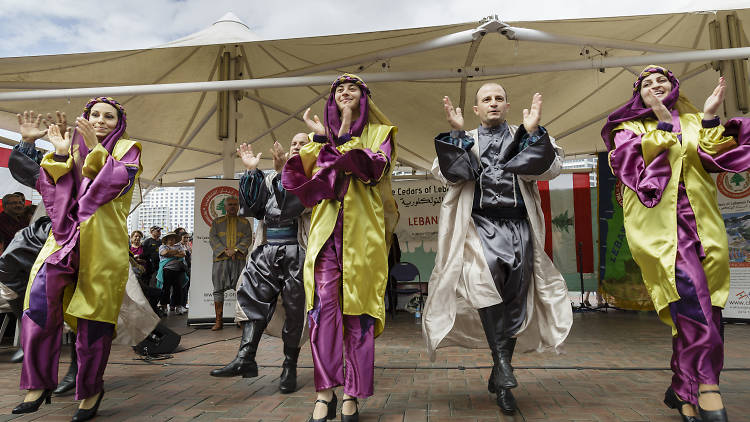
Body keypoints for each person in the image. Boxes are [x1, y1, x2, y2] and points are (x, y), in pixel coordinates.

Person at [602, 65, 746, 422]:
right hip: (664, 232)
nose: (655, 86)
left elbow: (717, 158)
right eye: (647, 83)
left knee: (707, 307)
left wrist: (710, 116)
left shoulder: (695, 120)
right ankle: (708, 385)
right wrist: (664, 125)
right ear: (638, 94)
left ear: (673, 86)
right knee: (695, 302)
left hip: (705, 226)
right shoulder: (629, 128)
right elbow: (629, 162)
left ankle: (684, 389)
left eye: (661, 81)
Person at [423, 83, 572, 415]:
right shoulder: (468, 139)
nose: (493, 103)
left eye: (498, 98)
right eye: (485, 99)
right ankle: (504, 366)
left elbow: (550, 168)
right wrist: (457, 135)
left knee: (514, 299)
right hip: (479, 226)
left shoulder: (523, 134)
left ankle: (499, 366)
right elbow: (445, 174)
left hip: (519, 227)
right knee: (483, 288)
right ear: (476, 109)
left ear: (507, 105)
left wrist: (533, 135)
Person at [12, 97, 141, 421]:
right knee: (38, 305)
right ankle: (37, 384)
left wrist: (94, 149)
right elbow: (49, 188)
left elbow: (113, 184)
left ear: (119, 122)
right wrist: (43, 148)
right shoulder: (69, 147)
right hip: (62, 242)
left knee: (93, 323)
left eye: (108, 116)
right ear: (86, 117)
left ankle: (91, 389)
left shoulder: (128, 148)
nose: (100, 120)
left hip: (102, 248)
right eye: (94, 114)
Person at [282, 74, 398, 422]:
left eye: (353, 89)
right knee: (322, 313)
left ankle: (352, 392)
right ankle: (324, 392)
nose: (345, 93)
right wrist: (326, 140)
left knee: (358, 315)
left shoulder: (382, 134)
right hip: (325, 240)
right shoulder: (317, 142)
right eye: (338, 91)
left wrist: (345, 134)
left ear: (365, 98)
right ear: (330, 101)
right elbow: (305, 184)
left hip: (363, 239)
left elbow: (371, 169)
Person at [210, 134, 310, 395]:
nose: (296, 146)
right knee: (253, 298)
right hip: (266, 250)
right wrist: (251, 171)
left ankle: (290, 365)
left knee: (295, 310)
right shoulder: (270, 177)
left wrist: (283, 173)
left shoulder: (314, 177)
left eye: (303, 143)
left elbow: (293, 208)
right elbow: (253, 208)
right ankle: (246, 358)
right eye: (294, 143)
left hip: (297, 252)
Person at [208, 196, 253, 330]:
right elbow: (213, 238)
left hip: (238, 260)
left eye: (235, 204)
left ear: (238, 207)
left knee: (241, 290)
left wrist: (235, 250)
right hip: (220, 260)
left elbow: (248, 237)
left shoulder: (244, 222)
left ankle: (240, 319)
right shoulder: (217, 222)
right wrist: (225, 251)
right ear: (225, 207)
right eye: (230, 205)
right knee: (217, 290)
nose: (232, 207)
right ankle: (218, 321)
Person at [157, 232, 187, 315]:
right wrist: (176, 252)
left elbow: (183, 254)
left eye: (173, 239)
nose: (171, 240)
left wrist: (170, 252)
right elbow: (164, 253)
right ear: (166, 240)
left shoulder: (179, 246)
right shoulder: (162, 247)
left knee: (178, 289)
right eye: (170, 239)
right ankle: (164, 307)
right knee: (165, 289)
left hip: (178, 270)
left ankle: (178, 307)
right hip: (167, 270)